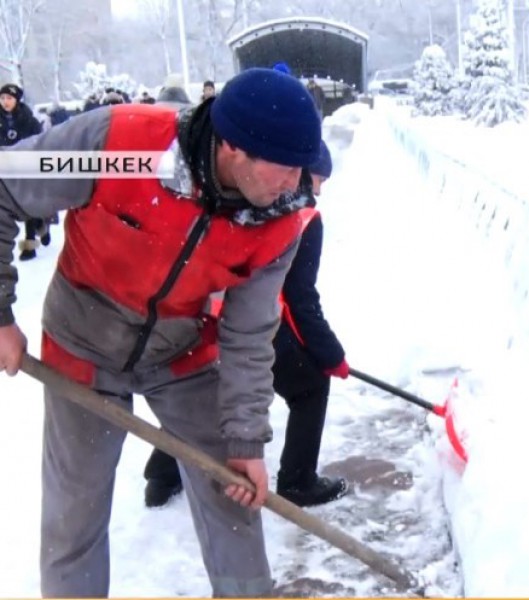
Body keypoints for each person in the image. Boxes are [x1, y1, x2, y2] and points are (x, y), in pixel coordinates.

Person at [0, 67, 322, 597]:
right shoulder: (119, 145)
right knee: (73, 519)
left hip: (184, 351)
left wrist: (245, 439)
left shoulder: (279, 219)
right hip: (82, 344)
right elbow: (7, 182)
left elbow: (247, 335)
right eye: (285, 169)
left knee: (233, 495)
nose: (296, 185)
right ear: (234, 148)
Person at [144, 142, 351, 509]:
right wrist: (329, 354)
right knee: (310, 388)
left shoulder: (233, 195)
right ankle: (298, 481)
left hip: (203, 315)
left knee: (201, 391)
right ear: (297, 174)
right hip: (251, 323)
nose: (318, 190)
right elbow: (298, 300)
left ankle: (161, 477)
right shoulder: (303, 218)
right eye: (318, 179)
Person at [0, 83, 46, 262]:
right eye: (2, 98)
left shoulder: (29, 120)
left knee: (27, 204)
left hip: (25, 166)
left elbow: (39, 141)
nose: (5, 102)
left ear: (17, 100)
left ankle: (29, 243)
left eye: (9, 98)